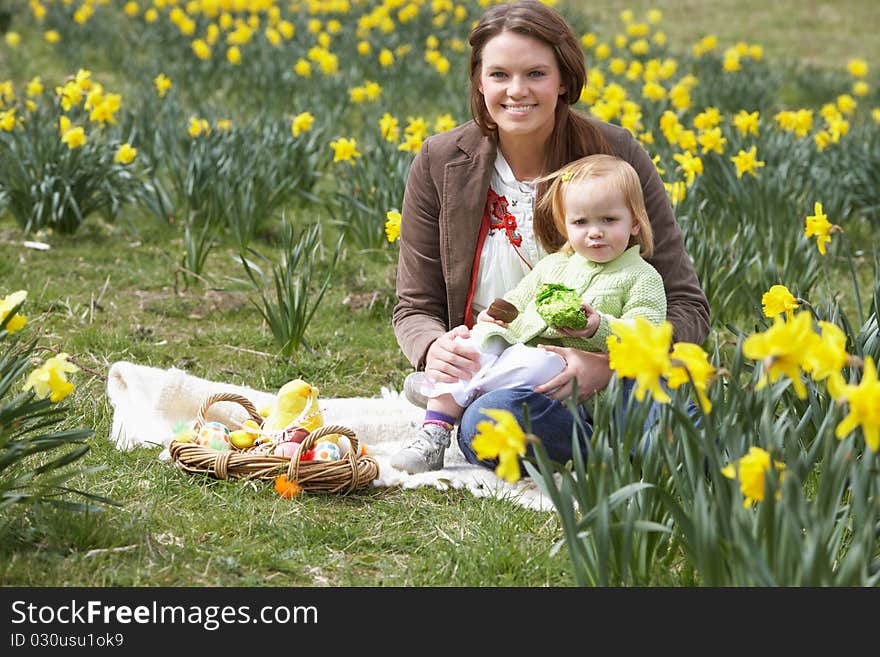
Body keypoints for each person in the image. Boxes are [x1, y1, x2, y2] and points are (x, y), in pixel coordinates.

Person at [391, 0, 709, 474]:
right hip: (509, 374)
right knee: (486, 421)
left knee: (668, 413)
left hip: (615, 365)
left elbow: (686, 304)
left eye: (536, 74)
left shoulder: (614, 154)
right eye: (499, 74)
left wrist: (609, 365)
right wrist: (435, 349)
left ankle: (651, 455)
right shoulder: (439, 162)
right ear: (480, 82)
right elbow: (414, 307)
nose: (516, 91)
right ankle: (628, 456)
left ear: (564, 80)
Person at [391, 154, 666, 473]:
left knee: (535, 366)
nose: (594, 233)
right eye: (581, 222)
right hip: (522, 363)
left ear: (635, 221)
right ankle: (433, 434)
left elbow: (647, 341)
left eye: (608, 220)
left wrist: (597, 327)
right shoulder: (554, 265)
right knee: (473, 342)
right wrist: (497, 316)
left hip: (574, 383)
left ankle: (450, 393)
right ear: (566, 224)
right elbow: (518, 299)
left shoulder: (642, 278)